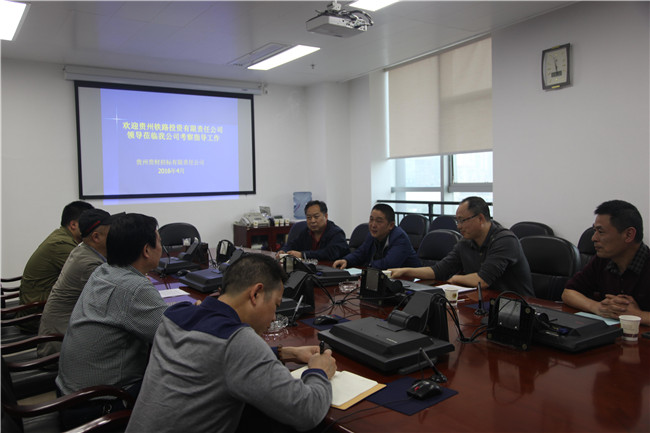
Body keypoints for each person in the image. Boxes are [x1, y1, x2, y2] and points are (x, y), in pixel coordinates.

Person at [126, 254, 337, 433]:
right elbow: (307, 412)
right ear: (256, 294)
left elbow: (212, 358)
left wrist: (286, 352)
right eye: (275, 305)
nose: (274, 317)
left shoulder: (175, 315)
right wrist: (319, 371)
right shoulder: (238, 342)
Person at [55, 213, 168, 428]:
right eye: (160, 242)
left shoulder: (104, 270)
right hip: (97, 406)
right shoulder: (134, 288)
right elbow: (173, 335)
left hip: (69, 395)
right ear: (146, 250)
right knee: (184, 377)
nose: (162, 248)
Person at [390, 197, 534, 297]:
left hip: (517, 307)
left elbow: (482, 281)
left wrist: (455, 279)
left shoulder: (505, 240)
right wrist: (405, 271)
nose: (458, 227)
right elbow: (438, 271)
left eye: (462, 221)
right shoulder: (465, 242)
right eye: (457, 221)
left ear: (480, 218)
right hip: (483, 300)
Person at [36, 209, 115, 357]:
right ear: (96, 237)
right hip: (60, 344)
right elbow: (114, 303)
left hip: (63, 331)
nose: (115, 237)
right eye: (111, 233)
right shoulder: (89, 264)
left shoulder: (83, 250)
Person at [562, 200, 649, 326]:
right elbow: (568, 293)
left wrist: (638, 315)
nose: (594, 238)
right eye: (594, 231)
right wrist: (597, 307)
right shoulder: (602, 259)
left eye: (601, 232)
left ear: (628, 235)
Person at [17, 200, 94, 332]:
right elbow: (91, 273)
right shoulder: (60, 244)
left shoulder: (61, 237)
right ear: (73, 225)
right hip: (35, 314)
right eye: (89, 224)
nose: (91, 229)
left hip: (38, 304)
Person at [333, 203, 421, 270]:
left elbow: (389, 264)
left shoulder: (400, 238)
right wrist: (346, 260)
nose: (373, 225)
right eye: (371, 219)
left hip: (411, 282)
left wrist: (367, 266)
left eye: (379, 221)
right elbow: (361, 253)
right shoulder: (372, 235)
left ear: (391, 225)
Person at [277, 200, 350, 261]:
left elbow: (329, 254)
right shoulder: (306, 231)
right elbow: (292, 244)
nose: (312, 221)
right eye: (309, 217)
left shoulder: (336, 233)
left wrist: (303, 255)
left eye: (316, 217)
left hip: (333, 269)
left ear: (326, 216)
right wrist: (283, 251)